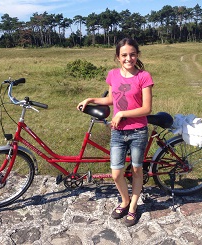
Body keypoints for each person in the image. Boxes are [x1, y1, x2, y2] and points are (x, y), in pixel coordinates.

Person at [77, 38, 153, 227]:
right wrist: (91, 99)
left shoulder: (144, 77)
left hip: (138, 131)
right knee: (116, 173)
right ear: (118, 57)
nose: (129, 58)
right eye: (124, 55)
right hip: (118, 132)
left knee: (137, 169)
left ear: (137, 55)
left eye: (132, 54)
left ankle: (134, 206)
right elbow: (112, 99)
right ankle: (125, 200)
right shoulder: (112, 75)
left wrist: (122, 114)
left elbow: (146, 109)